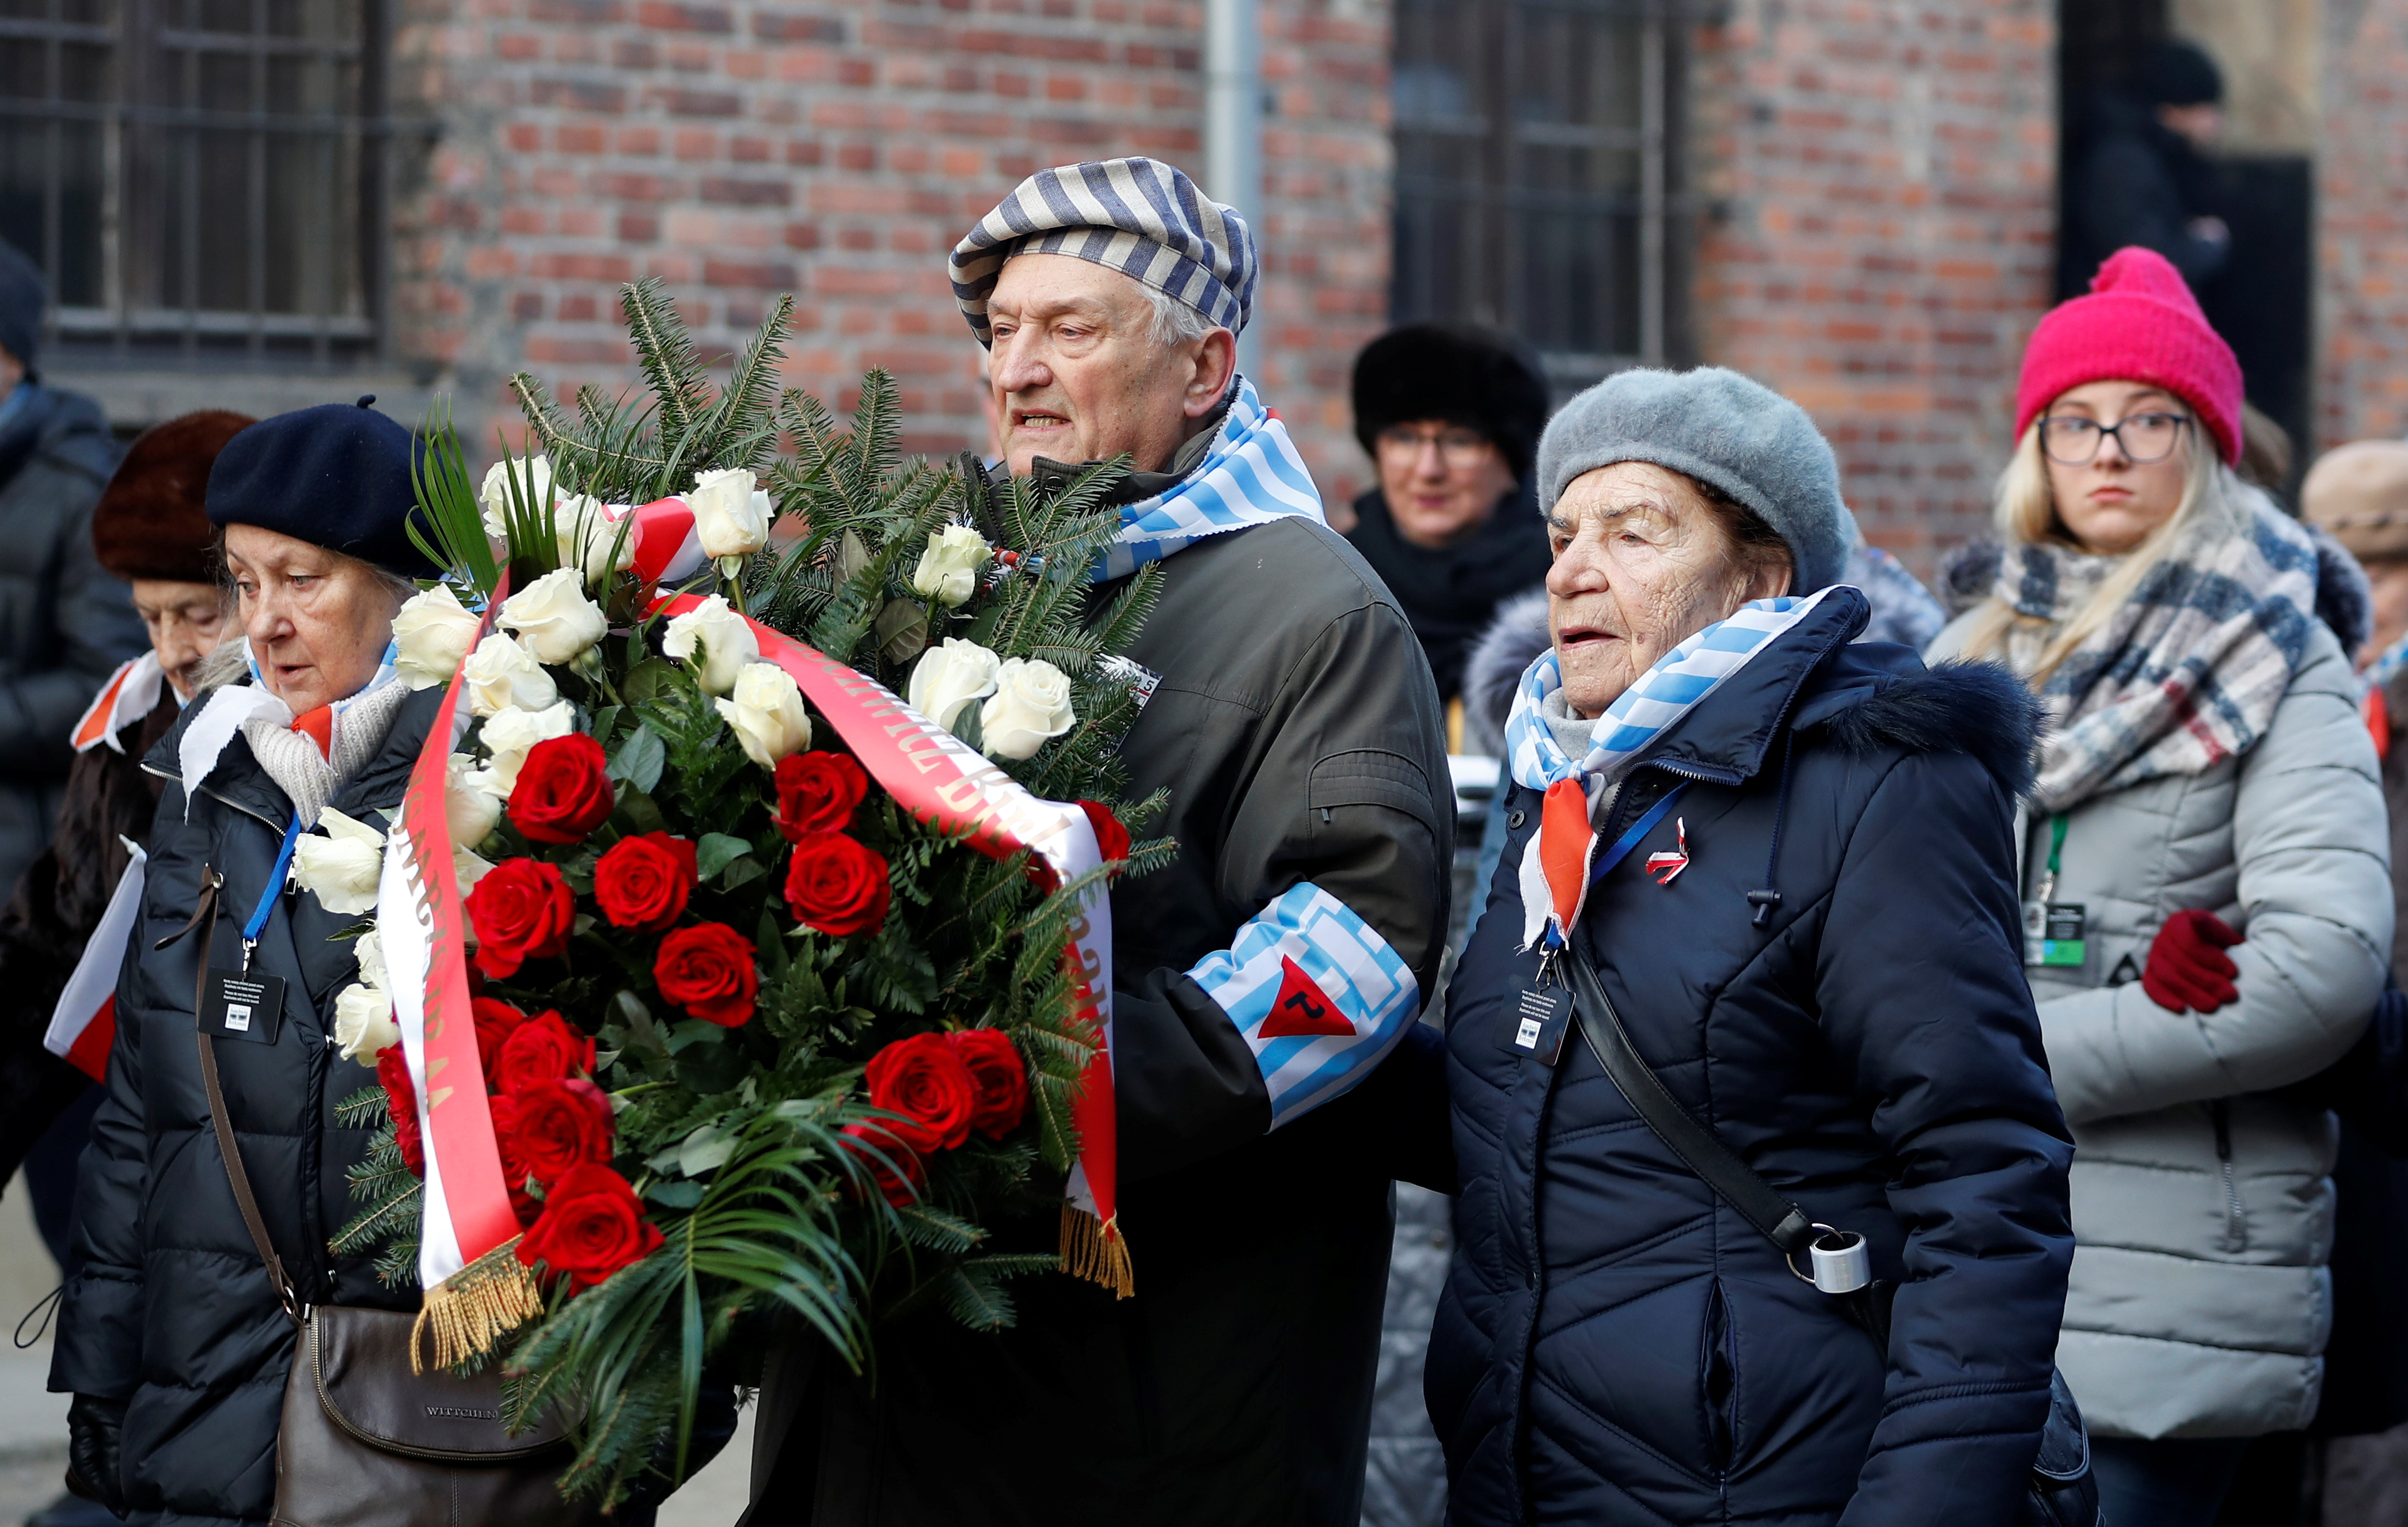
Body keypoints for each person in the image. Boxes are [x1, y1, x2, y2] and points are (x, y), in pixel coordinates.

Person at [747, 157, 1454, 1525]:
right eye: (999, 330)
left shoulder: (1315, 611)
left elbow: (1350, 958)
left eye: (1070, 328)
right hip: (884, 1371)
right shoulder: (919, 576)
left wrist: (1019, 1099)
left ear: (1203, 366)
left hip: (1146, 1395)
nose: (1015, 368)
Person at [1431, 366, 2076, 1524]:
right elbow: (1520, 1100)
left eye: (1635, 534)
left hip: (1764, 1478)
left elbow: (1984, 1180)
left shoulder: (1878, 788)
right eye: (1565, 533)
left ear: (1761, 576)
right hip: (1528, 1468)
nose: (1575, 569)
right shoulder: (1565, 790)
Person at [1930, 246, 2391, 1525]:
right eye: (2076, 422)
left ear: (2208, 443)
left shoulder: (2280, 653)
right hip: (1954, 1248)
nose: (2111, 450)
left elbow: (2319, 974)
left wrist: (2003, 1053)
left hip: (2172, 1277)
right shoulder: (1964, 652)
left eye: (2152, 418)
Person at [48, 400, 449, 1527]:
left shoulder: (498, 776)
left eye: (303, 580)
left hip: (417, 1423)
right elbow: (142, 1115)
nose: (264, 625)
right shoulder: (206, 775)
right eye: (245, 582)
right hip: (203, 1407)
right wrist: (101, 1373)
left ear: (401, 587)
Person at [1342, 321, 1552, 708]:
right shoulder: (1336, 580)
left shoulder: (1569, 584)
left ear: (1512, 462)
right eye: (1405, 438)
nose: (1428, 470)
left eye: (1460, 440)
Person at [2065, 39, 2231, 296]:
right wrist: (2205, 245)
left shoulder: (2160, 153)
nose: (2215, 122)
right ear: (2174, 111)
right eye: (2206, 110)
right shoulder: (2125, 162)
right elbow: (2145, 261)